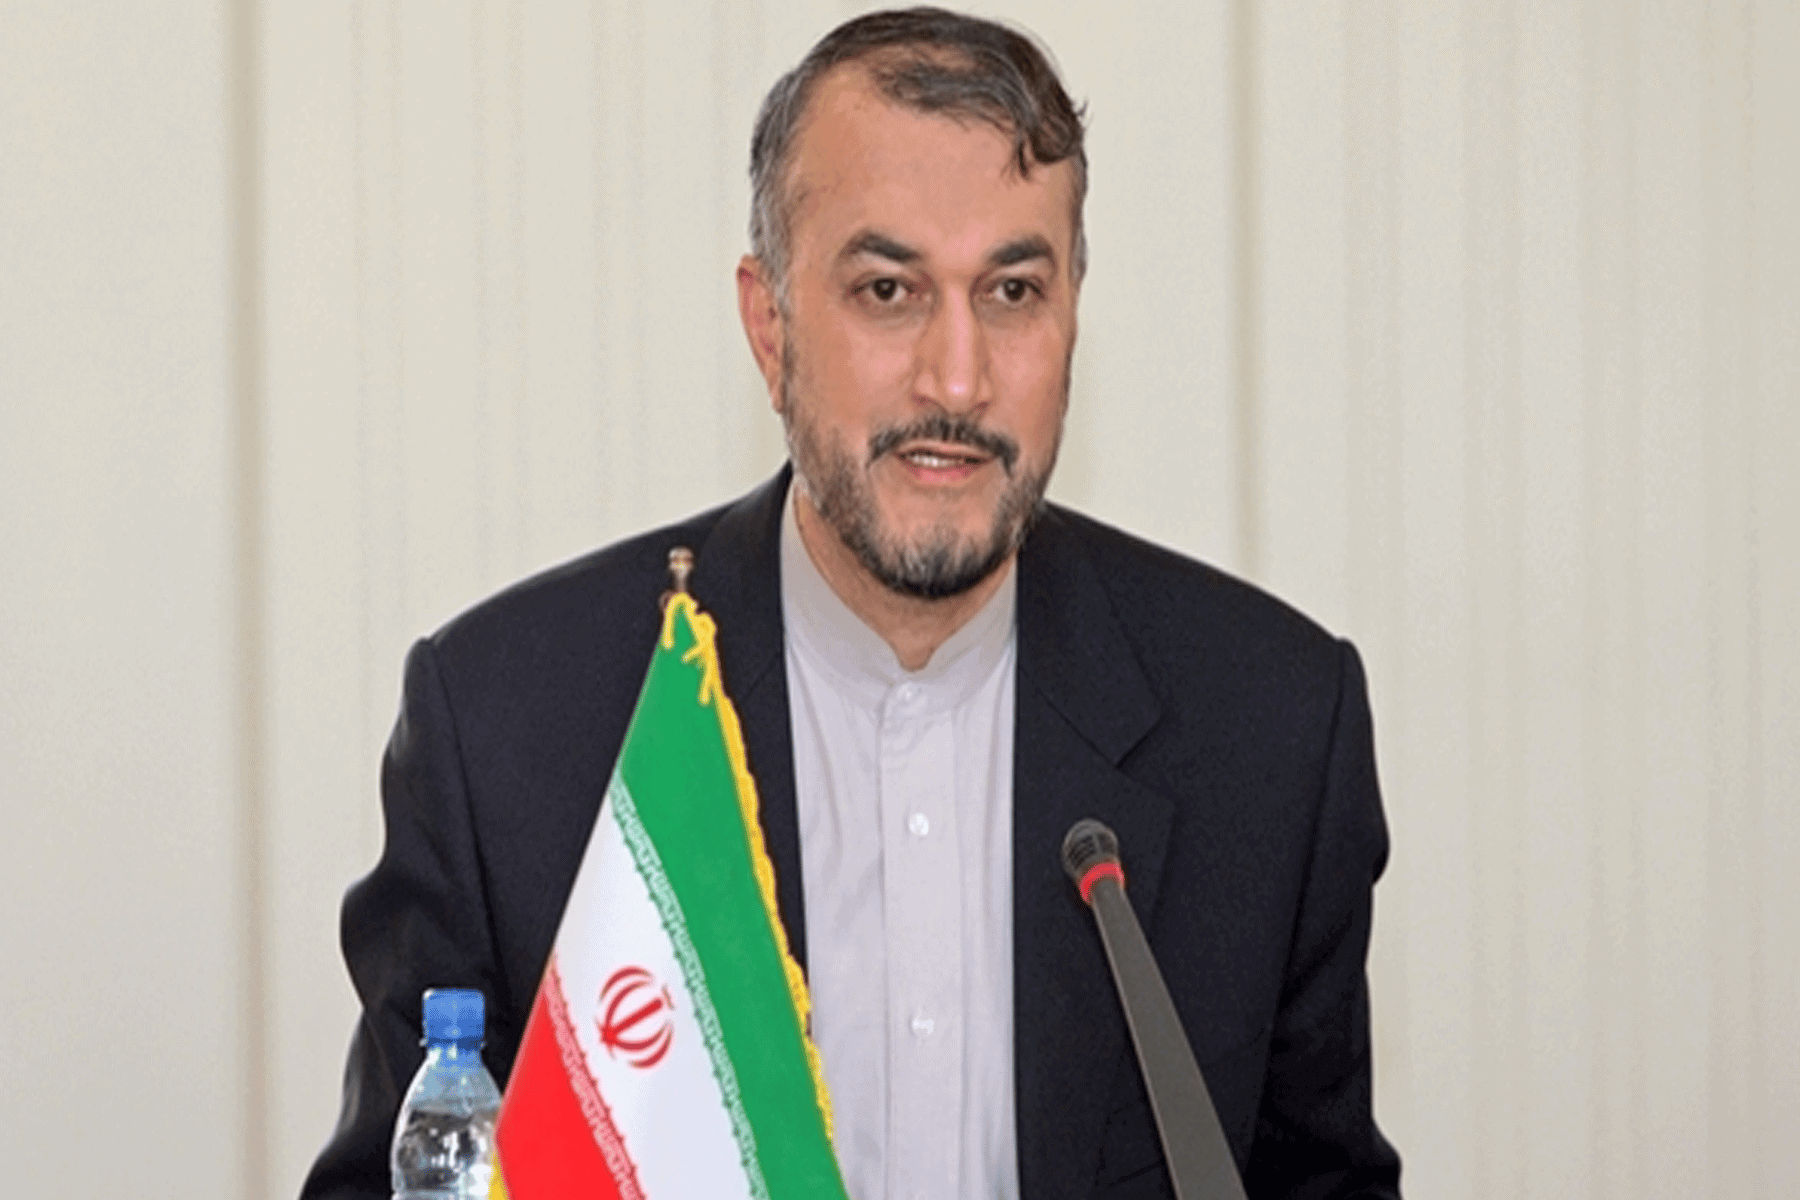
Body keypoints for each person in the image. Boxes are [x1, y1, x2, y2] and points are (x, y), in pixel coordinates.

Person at [304, 8, 1400, 1199]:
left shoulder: (1271, 732)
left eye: (1013, 290)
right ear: (770, 327)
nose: (957, 379)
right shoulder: (511, 732)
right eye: (888, 290)